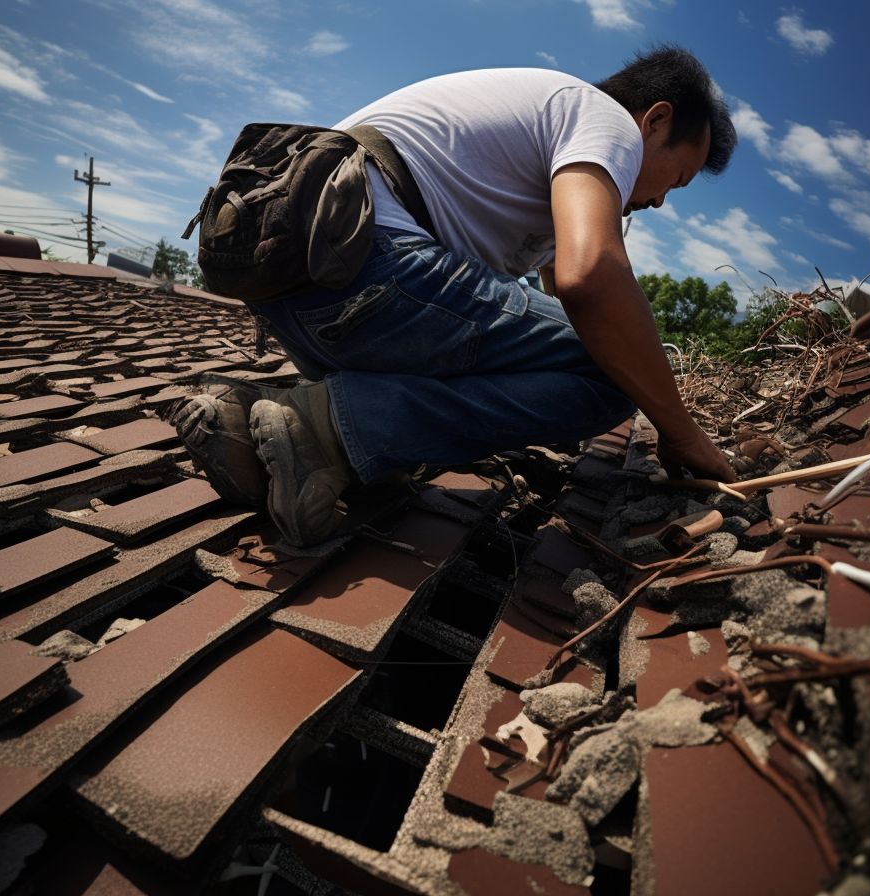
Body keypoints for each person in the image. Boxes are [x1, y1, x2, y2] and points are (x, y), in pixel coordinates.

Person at [172, 44, 738, 546]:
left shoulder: (542, 141)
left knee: (589, 348)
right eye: (676, 178)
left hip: (298, 299)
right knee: (612, 375)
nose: (661, 200)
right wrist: (682, 431)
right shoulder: (605, 118)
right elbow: (591, 281)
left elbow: (554, 308)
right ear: (655, 121)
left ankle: (247, 420)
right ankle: (327, 431)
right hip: (373, 269)